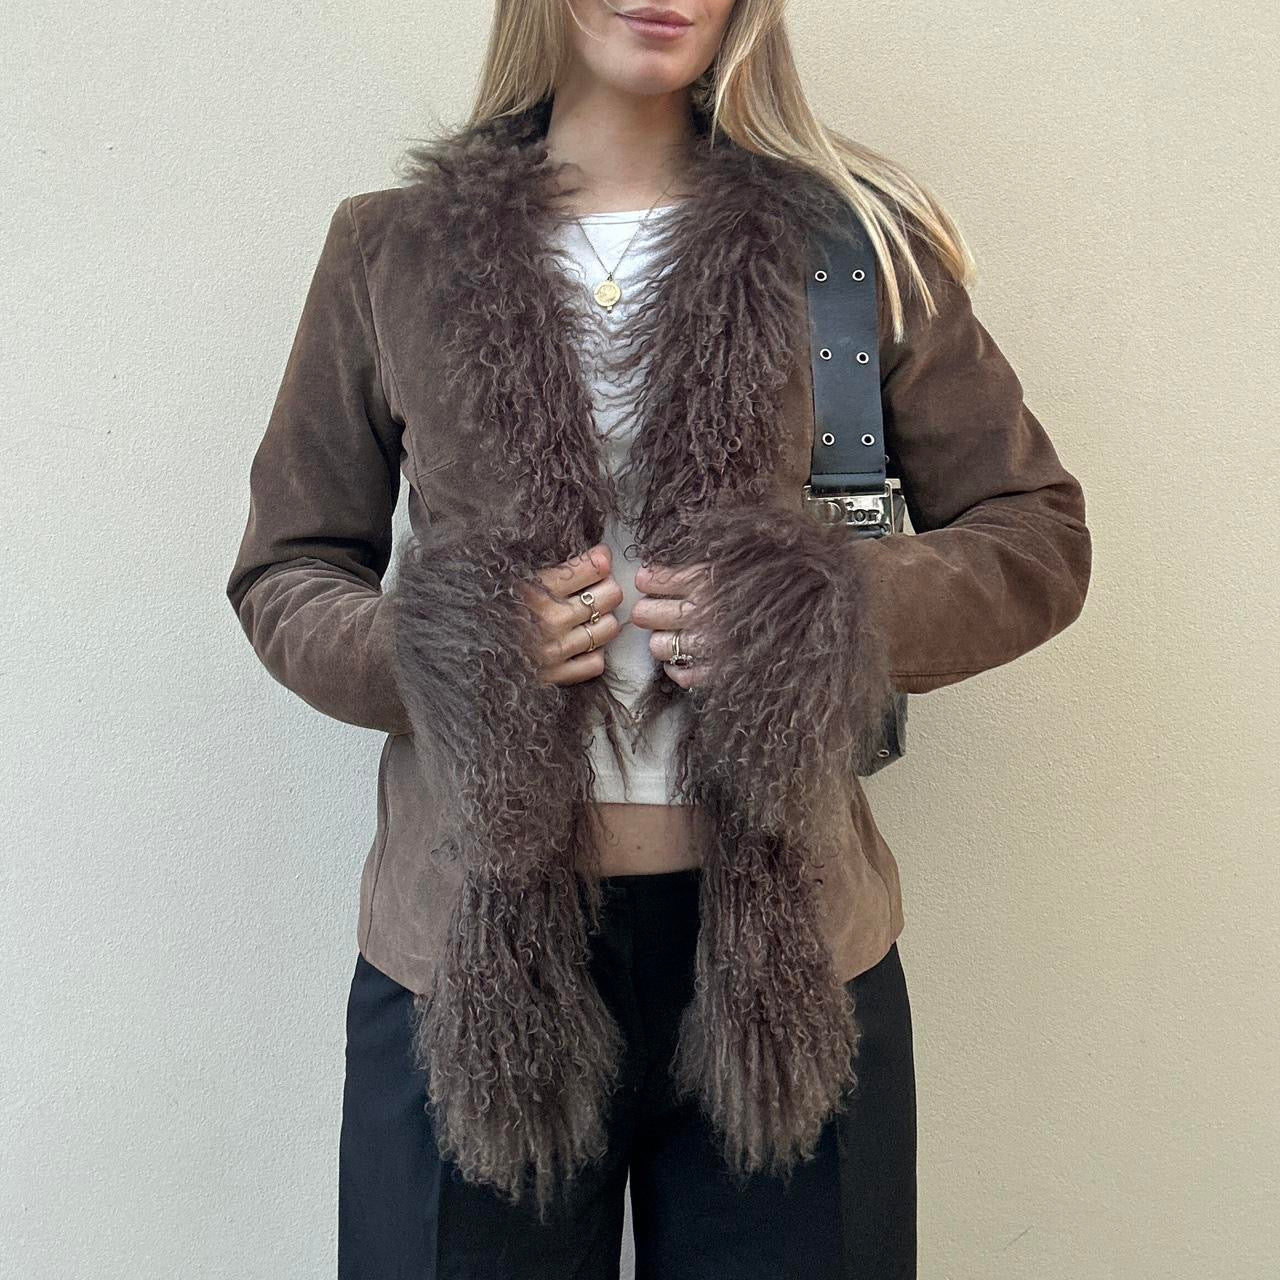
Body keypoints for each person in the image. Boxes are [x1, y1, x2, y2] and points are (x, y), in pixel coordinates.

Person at [225, 2, 1093, 1275]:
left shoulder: (849, 244)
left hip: (793, 961)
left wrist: (811, 613)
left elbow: (1034, 537)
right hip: (465, 952)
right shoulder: (393, 247)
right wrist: (446, 647)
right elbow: (288, 570)